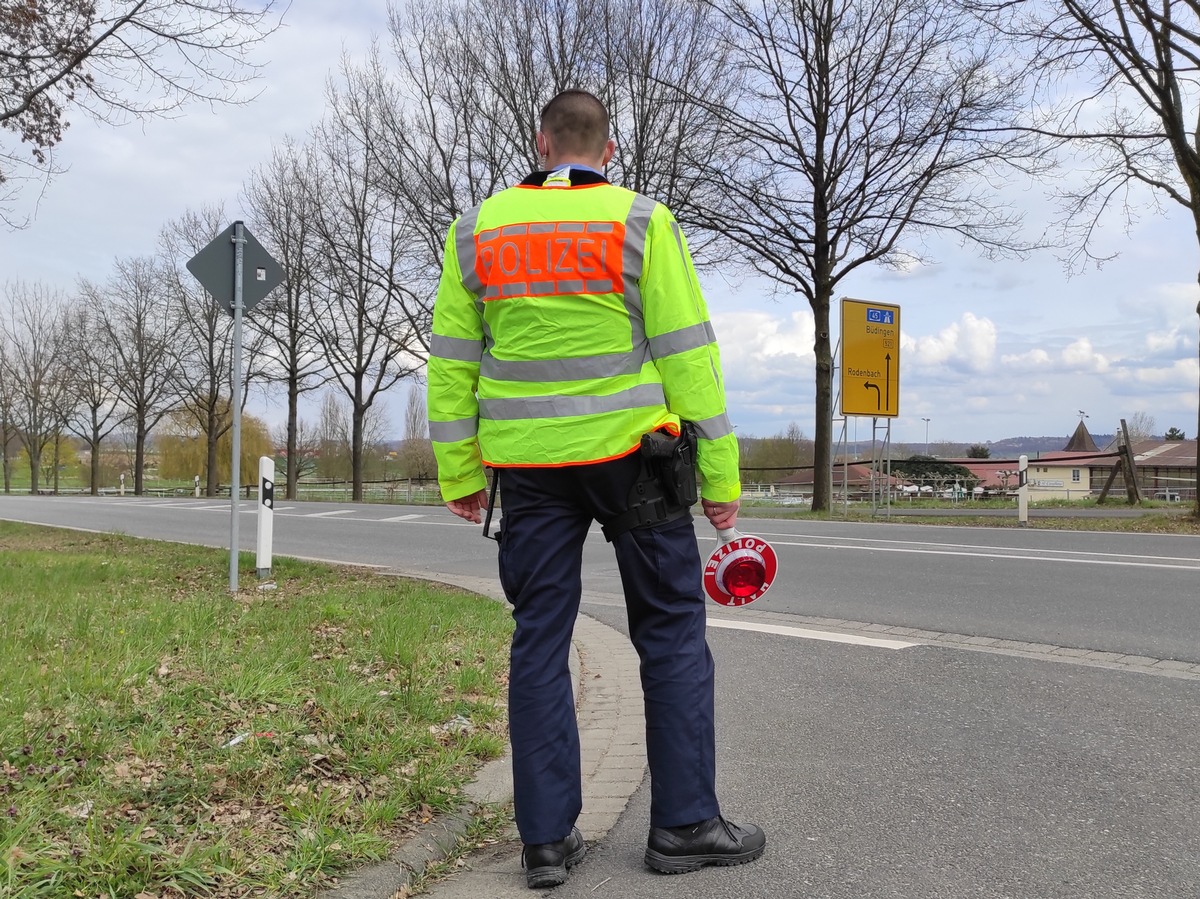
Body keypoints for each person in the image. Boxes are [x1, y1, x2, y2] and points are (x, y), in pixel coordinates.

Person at [427, 89, 765, 889]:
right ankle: (684, 824)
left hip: (532, 471)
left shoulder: (477, 230)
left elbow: (450, 361)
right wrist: (720, 475)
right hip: (634, 462)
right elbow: (689, 355)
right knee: (672, 630)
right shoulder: (640, 221)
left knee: (540, 638)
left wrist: (460, 472)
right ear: (606, 151)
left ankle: (545, 840)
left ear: (542, 142)